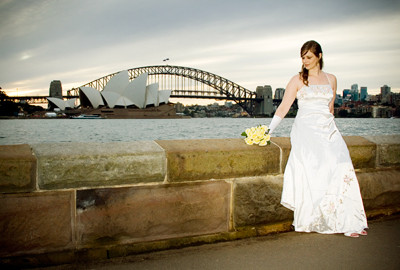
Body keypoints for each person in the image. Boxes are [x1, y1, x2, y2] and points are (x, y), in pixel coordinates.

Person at [268, 40, 368, 238]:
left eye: (309, 57)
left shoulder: (331, 79)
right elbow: (283, 107)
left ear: (319, 56)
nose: (304, 61)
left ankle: (348, 220)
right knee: (315, 171)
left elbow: (330, 109)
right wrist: (268, 130)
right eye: (302, 57)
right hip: (306, 130)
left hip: (328, 130)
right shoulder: (297, 80)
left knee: (341, 167)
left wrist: (333, 132)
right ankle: (318, 219)